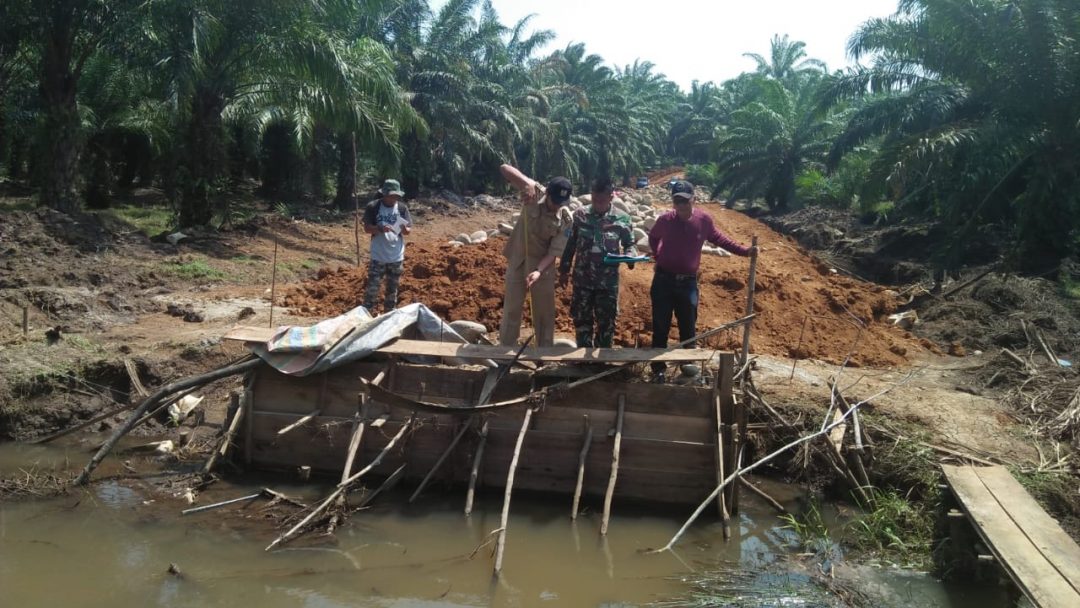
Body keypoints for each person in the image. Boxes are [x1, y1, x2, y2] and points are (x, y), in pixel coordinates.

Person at [648, 180, 755, 381]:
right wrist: (658, 255)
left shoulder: (703, 220)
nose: (680, 205)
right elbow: (653, 237)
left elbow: (720, 239)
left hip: (687, 283)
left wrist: (745, 251)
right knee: (660, 325)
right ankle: (658, 370)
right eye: (677, 201)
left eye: (684, 201)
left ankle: (688, 367)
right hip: (663, 280)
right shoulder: (665, 221)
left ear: (693, 200)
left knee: (688, 325)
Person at [498, 164, 574, 347]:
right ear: (547, 193)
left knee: (544, 313)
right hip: (518, 260)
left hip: (543, 267)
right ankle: (504, 353)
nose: (556, 206)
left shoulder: (566, 220)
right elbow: (504, 168)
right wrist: (526, 184)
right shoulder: (536, 192)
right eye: (554, 200)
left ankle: (543, 355)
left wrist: (538, 271)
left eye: (560, 203)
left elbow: (553, 253)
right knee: (512, 309)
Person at [559, 177, 637, 347]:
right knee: (581, 320)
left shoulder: (622, 219)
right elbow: (570, 245)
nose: (598, 203)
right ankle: (583, 360)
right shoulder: (580, 215)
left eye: (602, 200)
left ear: (611, 197)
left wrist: (630, 257)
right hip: (582, 279)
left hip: (607, 281)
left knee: (606, 322)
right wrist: (564, 271)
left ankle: (602, 362)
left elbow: (629, 244)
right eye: (595, 199)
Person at [362, 179, 412, 313]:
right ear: (384, 194)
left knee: (392, 290)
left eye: (396, 196)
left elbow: (408, 231)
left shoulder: (402, 208)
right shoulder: (373, 207)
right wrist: (379, 228)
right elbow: (367, 229)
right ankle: (366, 315)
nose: (393, 199)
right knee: (372, 289)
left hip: (396, 256)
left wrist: (404, 229)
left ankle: (388, 316)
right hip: (378, 255)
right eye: (391, 195)